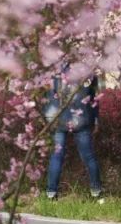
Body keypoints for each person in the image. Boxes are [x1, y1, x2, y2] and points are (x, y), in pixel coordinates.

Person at [44, 69, 103, 200]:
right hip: (81, 118)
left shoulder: (53, 69)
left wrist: (47, 117)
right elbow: (94, 97)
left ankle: (51, 193)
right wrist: (96, 119)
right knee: (89, 157)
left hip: (56, 118)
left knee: (56, 156)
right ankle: (97, 192)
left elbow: (47, 96)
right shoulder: (88, 69)